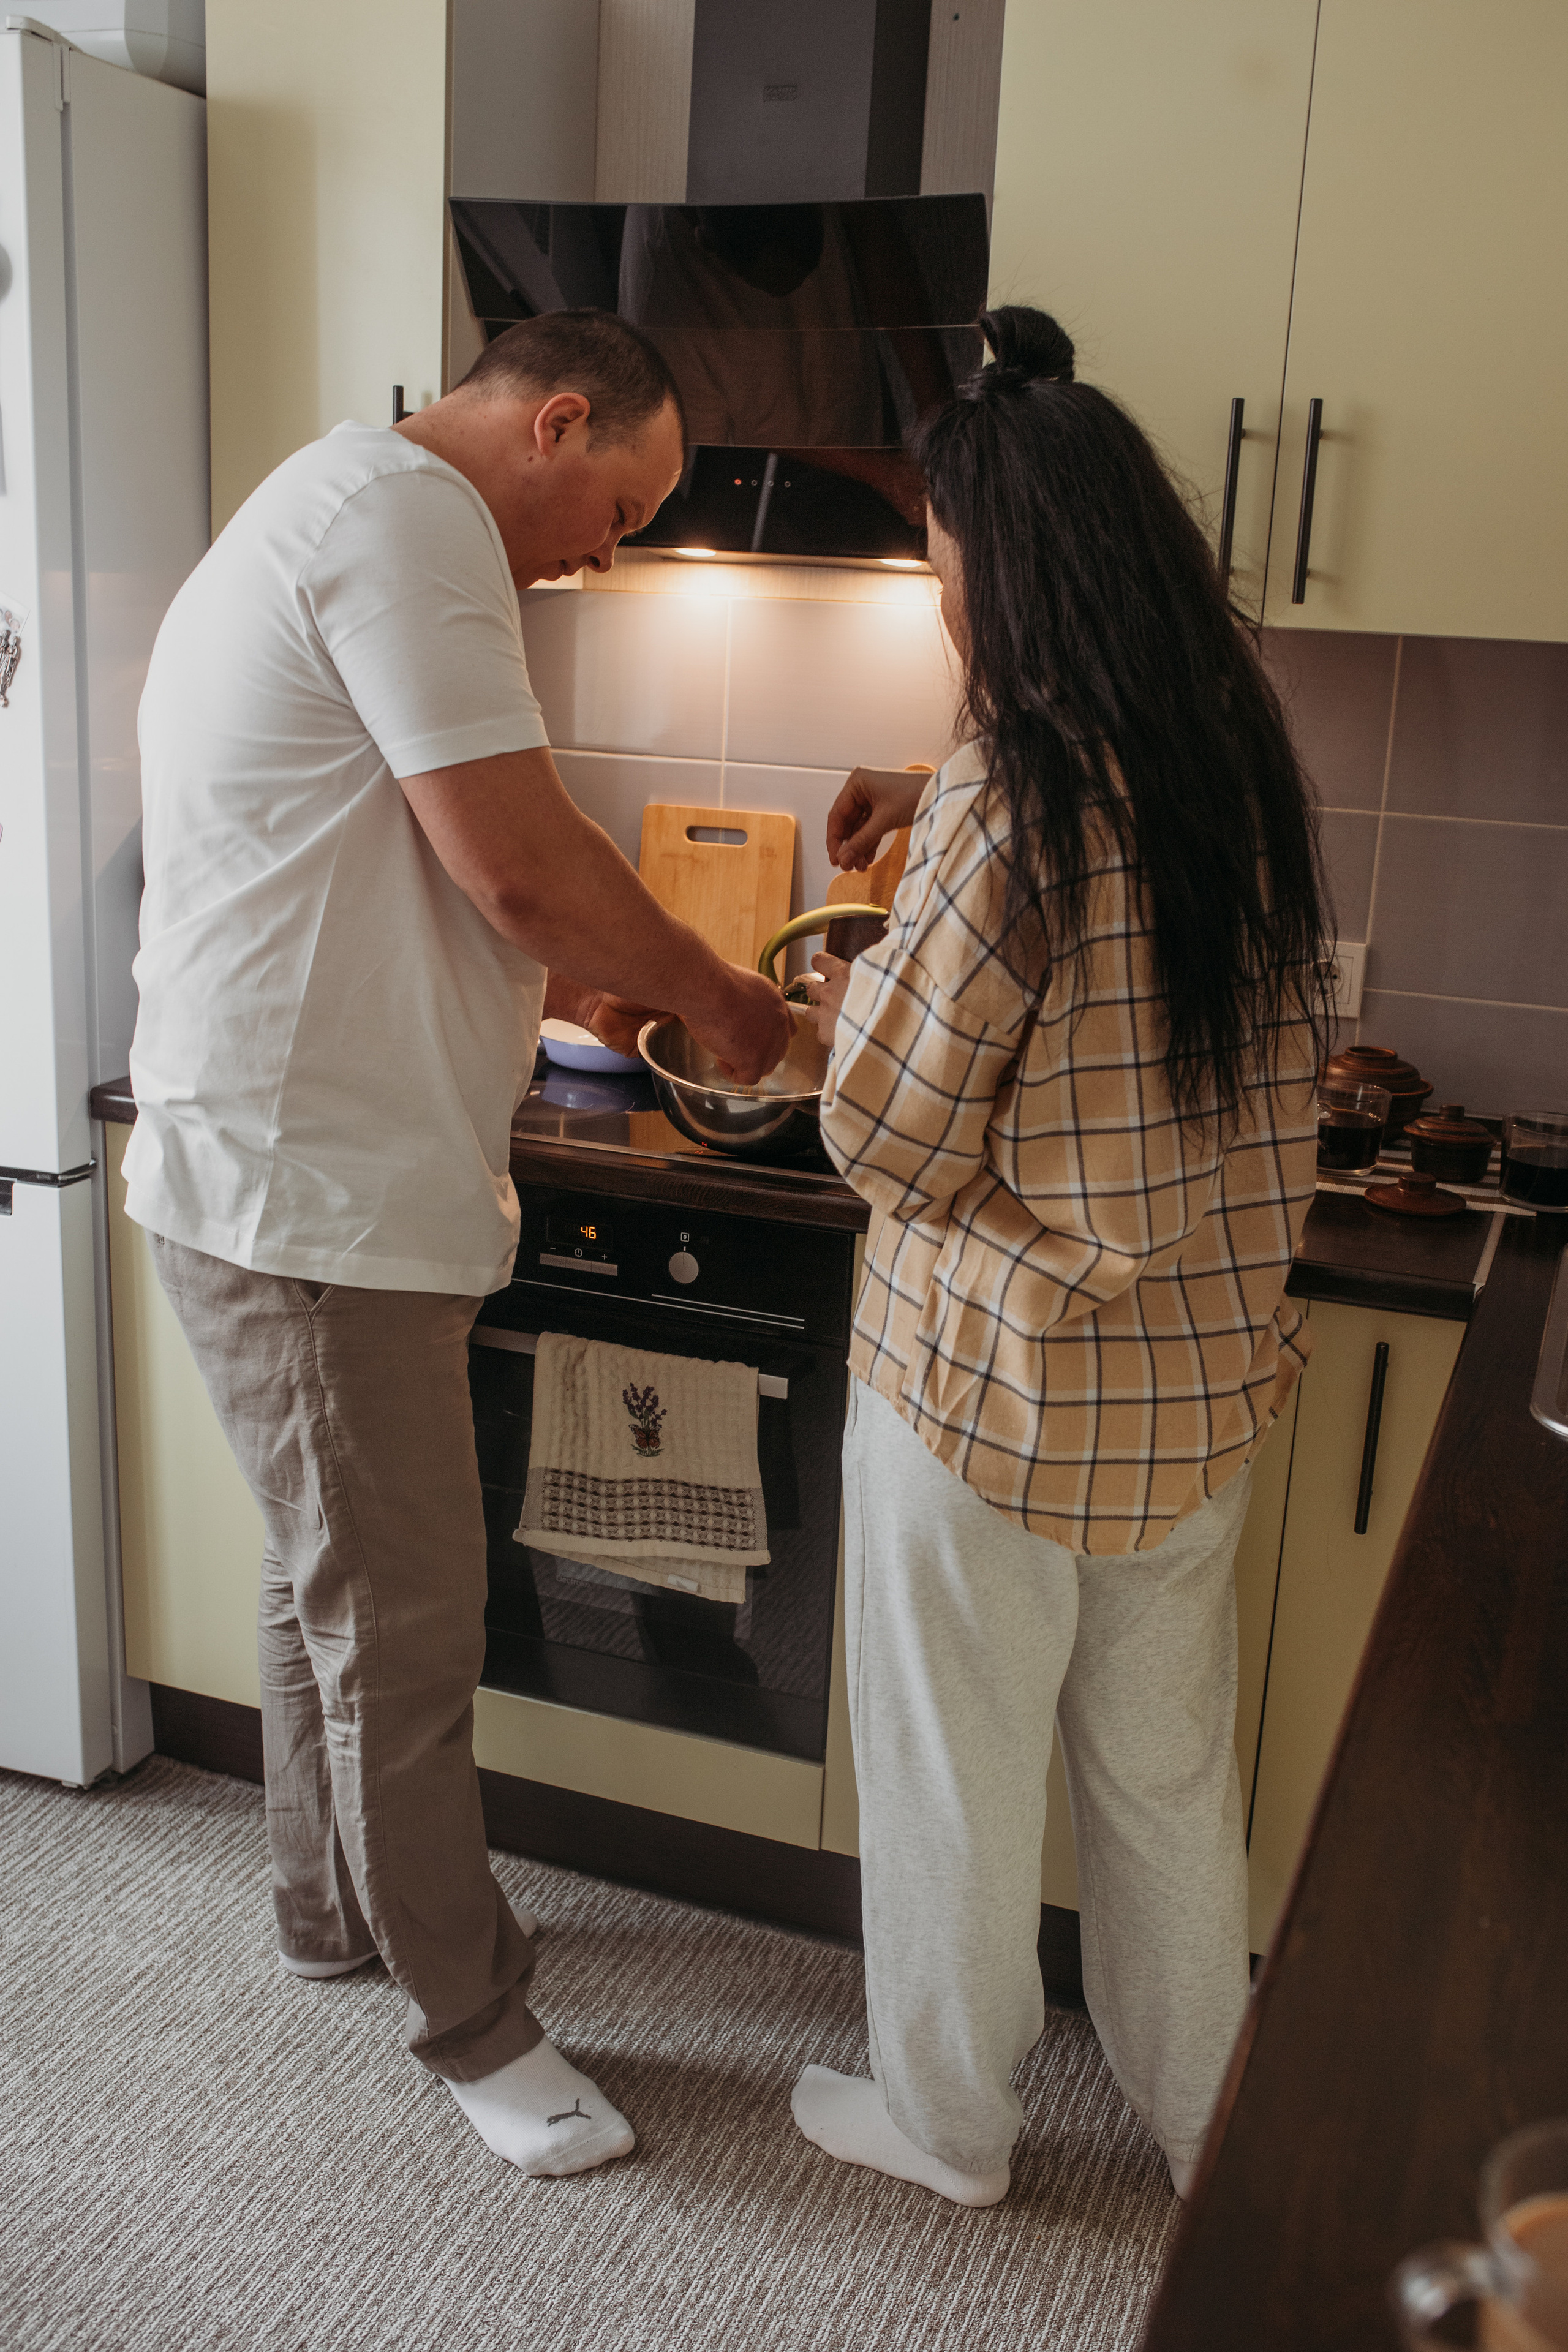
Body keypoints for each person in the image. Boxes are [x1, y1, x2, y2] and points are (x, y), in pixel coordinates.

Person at [123, 309, 791, 2179]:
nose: (615, 547)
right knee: (408, 1632)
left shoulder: (332, 502)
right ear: (554, 419)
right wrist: (719, 1000)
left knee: (317, 1580)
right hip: (309, 1198)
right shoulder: (409, 527)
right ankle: (479, 2031)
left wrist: (584, 960)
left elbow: (419, 860)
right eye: (623, 502)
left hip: (284, 1172)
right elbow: (508, 857)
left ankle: (329, 1914)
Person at [791, 308, 1328, 2208]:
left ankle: (950, 2131)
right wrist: (929, 811)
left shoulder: (1016, 785)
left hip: (993, 1400)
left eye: (944, 576)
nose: (944, 614)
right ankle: (1209, 2134)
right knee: (1169, 1789)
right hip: (1191, 1393)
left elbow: (888, 1132)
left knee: (955, 1779)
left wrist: (844, 997)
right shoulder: (1237, 763)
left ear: (1005, 577)